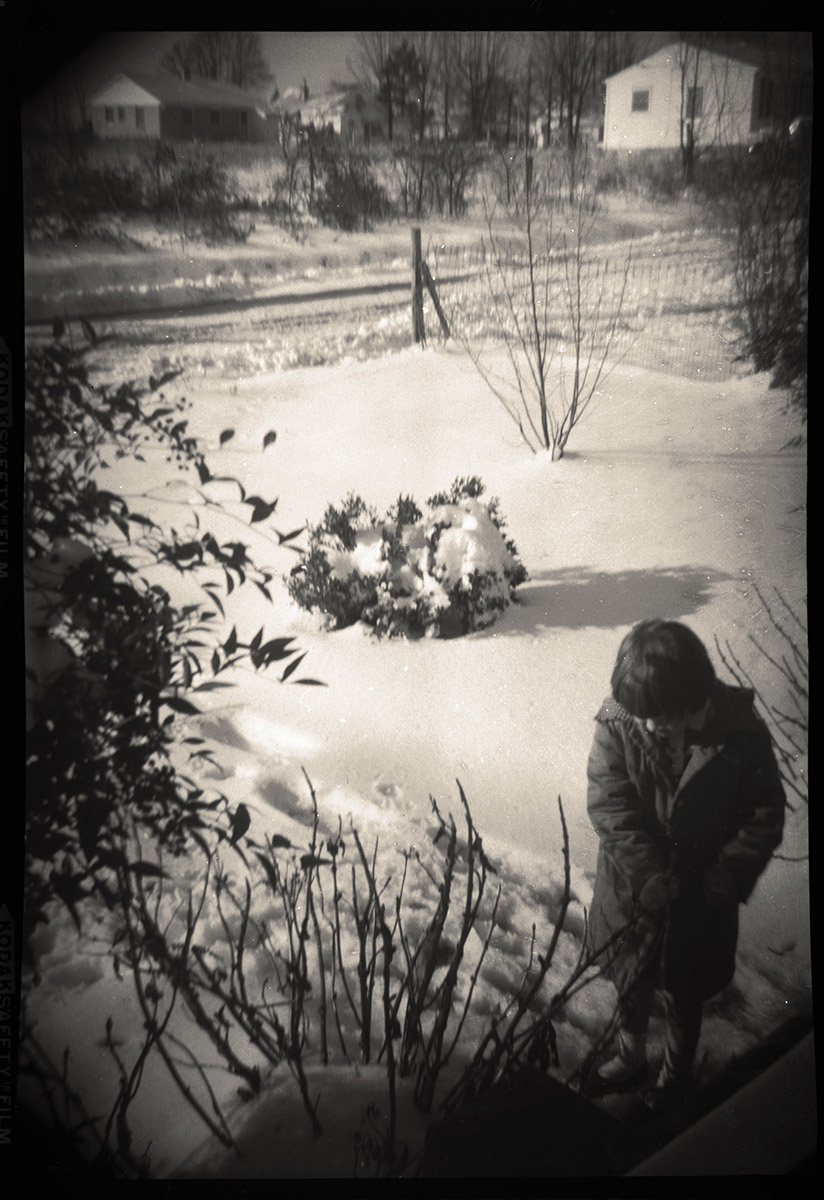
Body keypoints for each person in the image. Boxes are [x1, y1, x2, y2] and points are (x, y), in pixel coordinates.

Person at [584, 618, 785, 1111]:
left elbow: (762, 815)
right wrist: (647, 872)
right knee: (631, 980)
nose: (650, 725)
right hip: (635, 891)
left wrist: (728, 875)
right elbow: (610, 804)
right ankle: (631, 1055)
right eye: (642, 715)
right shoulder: (619, 725)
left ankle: (675, 1077)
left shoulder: (741, 735)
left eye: (662, 715)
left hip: (702, 899)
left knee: (684, 992)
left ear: (696, 698)